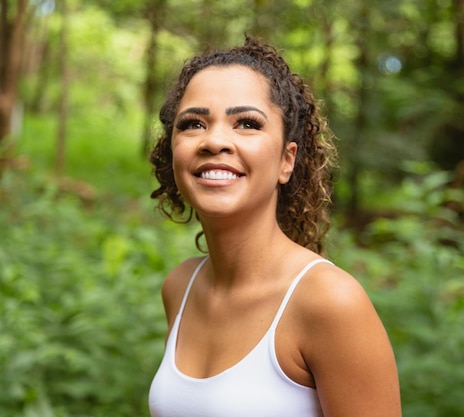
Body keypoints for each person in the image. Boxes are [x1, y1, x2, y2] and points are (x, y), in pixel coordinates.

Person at [147, 36, 401, 417]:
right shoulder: (180, 288)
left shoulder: (330, 302)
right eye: (194, 124)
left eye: (246, 123)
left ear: (287, 160)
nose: (214, 140)